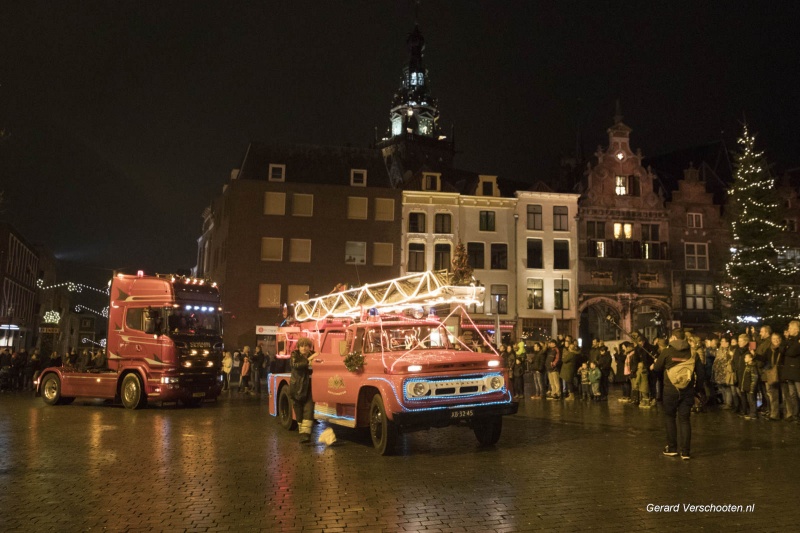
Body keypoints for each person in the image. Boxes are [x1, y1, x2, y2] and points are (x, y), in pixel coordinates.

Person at [653, 328, 704, 460]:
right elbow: (701, 374)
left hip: (670, 390)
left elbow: (657, 369)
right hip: (687, 390)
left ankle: (672, 447)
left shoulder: (667, 351)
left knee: (670, 418)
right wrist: (696, 390)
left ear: (674, 338)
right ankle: (685, 451)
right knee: (685, 420)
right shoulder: (693, 353)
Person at [289, 337, 316, 442]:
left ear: (310, 347)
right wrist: (309, 360)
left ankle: (306, 435)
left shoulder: (314, 354)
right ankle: (302, 431)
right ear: (298, 347)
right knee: (299, 412)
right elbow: (295, 365)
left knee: (309, 410)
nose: (304, 348)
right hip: (297, 388)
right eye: (302, 346)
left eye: (306, 346)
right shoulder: (294, 354)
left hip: (310, 387)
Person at [781, 321, 800, 423]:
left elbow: (792, 352)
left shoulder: (797, 340)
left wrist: (787, 348)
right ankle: (795, 414)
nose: (789, 330)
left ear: (797, 329)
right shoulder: (790, 340)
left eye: (791, 328)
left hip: (797, 371)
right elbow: (782, 350)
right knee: (792, 394)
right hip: (790, 371)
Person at [741, 352, 760, 420]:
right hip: (747, 387)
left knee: (752, 400)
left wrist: (752, 388)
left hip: (750, 388)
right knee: (750, 400)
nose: (744, 358)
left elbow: (754, 378)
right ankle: (752, 413)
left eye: (746, 357)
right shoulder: (747, 366)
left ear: (751, 358)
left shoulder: (752, 367)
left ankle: (754, 414)